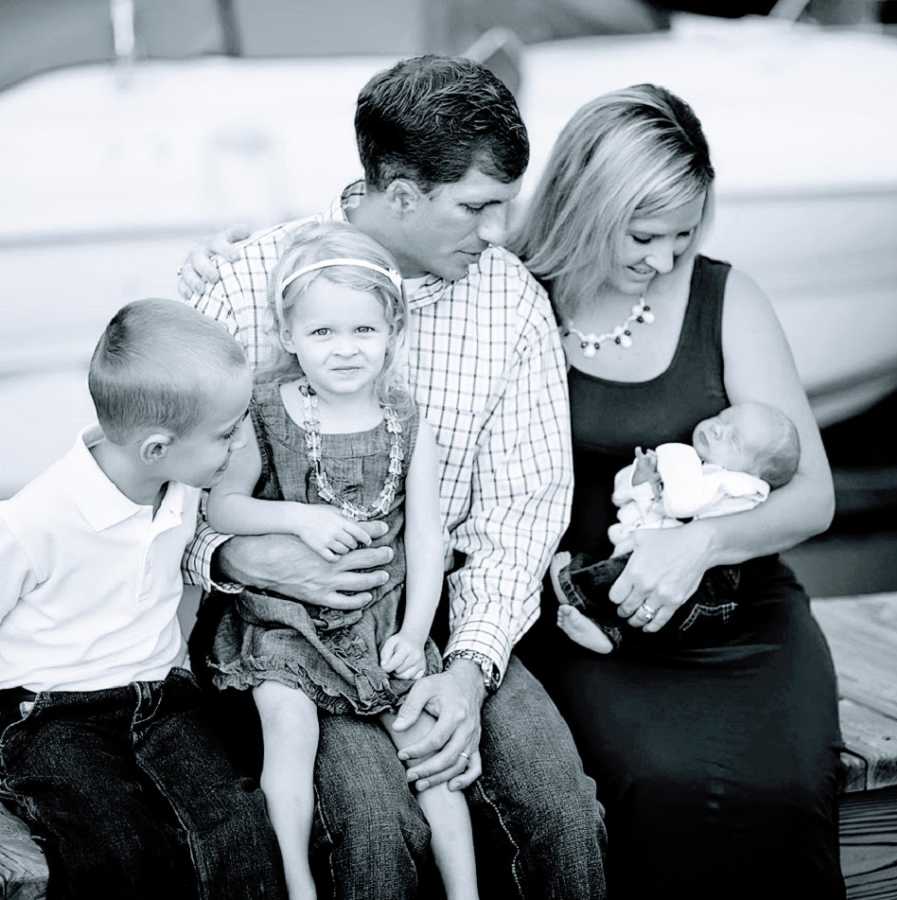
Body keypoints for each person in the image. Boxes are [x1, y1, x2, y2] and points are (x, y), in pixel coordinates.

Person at [177, 55, 606, 900]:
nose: (495, 232)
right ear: (401, 192)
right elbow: (161, 488)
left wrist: (471, 667)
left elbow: (524, 509)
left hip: (435, 614)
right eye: (478, 207)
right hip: (286, 629)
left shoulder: (510, 300)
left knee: (562, 809)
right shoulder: (246, 283)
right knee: (373, 821)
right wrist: (231, 558)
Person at [512, 84, 845, 898]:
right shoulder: (512, 297)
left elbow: (814, 498)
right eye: (644, 234)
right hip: (592, 626)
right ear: (588, 205)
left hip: (742, 618)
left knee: (787, 789)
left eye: (685, 233)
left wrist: (700, 541)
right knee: (658, 785)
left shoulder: (726, 298)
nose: (666, 259)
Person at [204, 221, 479, 900]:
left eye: (363, 331)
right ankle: (296, 881)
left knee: (427, 746)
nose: (345, 349)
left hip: (381, 619)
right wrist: (301, 517)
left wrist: (416, 633)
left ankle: (466, 889)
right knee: (288, 732)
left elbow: (426, 537)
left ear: (393, 333)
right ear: (290, 336)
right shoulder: (267, 412)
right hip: (285, 620)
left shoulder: (407, 419)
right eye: (323, 333)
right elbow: (224, 508)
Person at [0, 299, 287, 900]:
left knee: (237, 837)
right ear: (157, 447)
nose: (239, 447)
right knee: (120, 851)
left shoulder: (179, 488)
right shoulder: (34, 522)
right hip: (56, 713)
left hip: (162, 699)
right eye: (226, 432)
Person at [551, 400, 801, 652]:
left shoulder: (739, 488)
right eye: (723, 418)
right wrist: (645, 478)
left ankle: (574, 587)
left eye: (734, 440)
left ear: (753, 474)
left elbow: (683, 503)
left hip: (715, 583)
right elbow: (632, 499)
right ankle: (605, 631)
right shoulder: (704, 474)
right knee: (634, 585)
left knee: (649, 594)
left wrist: (674, 456)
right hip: (663, 557)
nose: (718, 429)